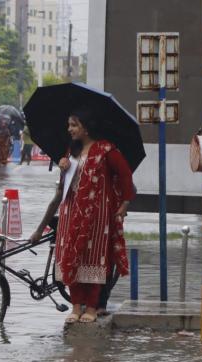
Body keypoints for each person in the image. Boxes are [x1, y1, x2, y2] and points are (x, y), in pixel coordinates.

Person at [30, 108, 135, 324]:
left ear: (86, 128)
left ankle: (92, 307)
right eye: (69, 125)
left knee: (93, 258)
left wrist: (124, 204)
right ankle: (76, 306)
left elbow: (125, 176)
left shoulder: (106, 150)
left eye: (74, 125)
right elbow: (64, 186)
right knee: (70, 257)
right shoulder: (71, 151)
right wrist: (63, 167)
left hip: (97, 215)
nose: (69, 129)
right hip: (70, 212)